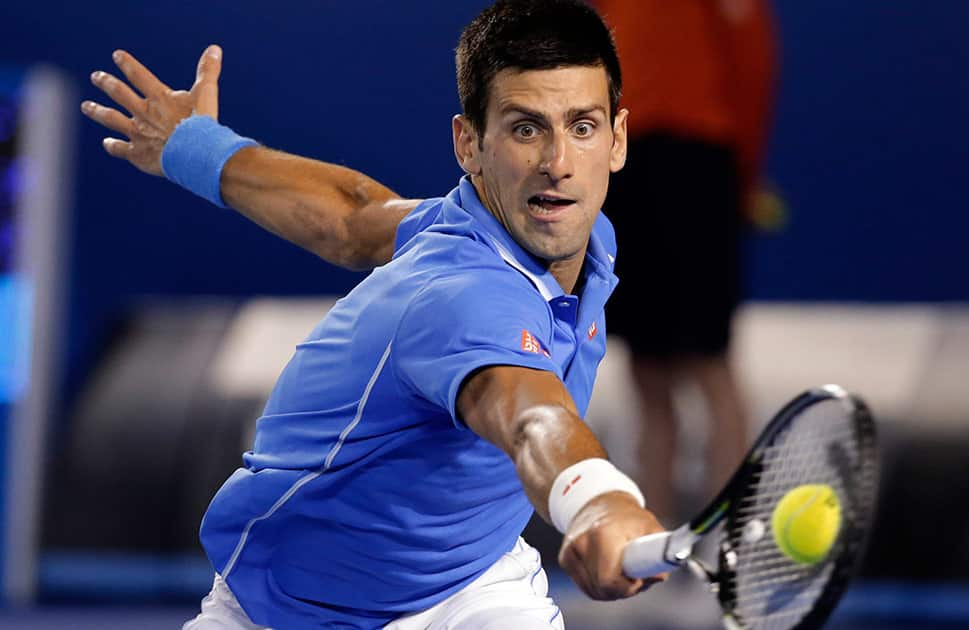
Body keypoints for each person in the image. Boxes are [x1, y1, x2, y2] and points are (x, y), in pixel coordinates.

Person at [81, 1, 666, 628]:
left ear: (617, 139)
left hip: (473, 585)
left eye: (582, 127)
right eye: (526, 129)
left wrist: (196, 147)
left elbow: (353, 216)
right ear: (469, 144)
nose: (558, 161)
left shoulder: (557, 235)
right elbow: (531, 417)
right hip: (284, 611)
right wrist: (597, 500)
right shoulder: (464, 294)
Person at [592, 0, 778, 523]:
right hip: (627, 164)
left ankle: (727, 550)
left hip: (699, 163)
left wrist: (744, 174)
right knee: (647, 369)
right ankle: (651, 553)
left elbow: (752, 59)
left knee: (709, 362)